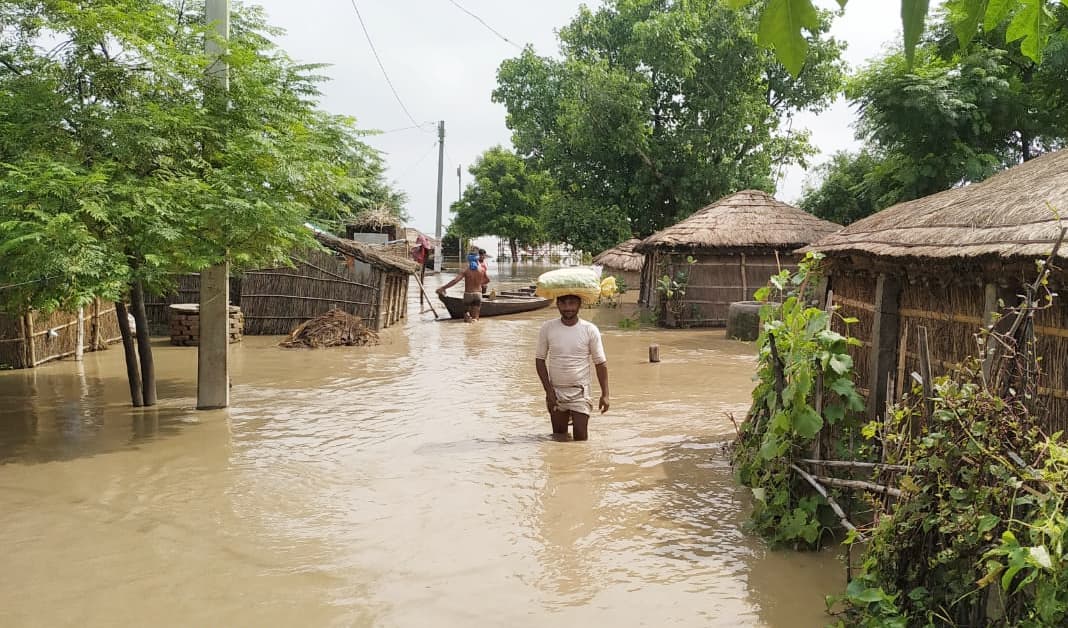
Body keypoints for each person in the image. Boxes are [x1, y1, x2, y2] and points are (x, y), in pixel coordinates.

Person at [534, 294, 609, 441]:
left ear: (579, 304)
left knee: (581, 438)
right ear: (558, 304)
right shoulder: (547, 328)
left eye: (572, 303)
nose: (568, 308)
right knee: (559, 437)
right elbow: (539, 360)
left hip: (581, 392)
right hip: (556, 391)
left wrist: (605, 395)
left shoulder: (590, 330)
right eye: (563, 303)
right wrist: (549, 391)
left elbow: (600, 363)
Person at [437, 254, 486, 321]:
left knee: (466, 315)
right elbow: (487, 280)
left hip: (468, 294)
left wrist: (443, 288)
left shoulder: (466, 270)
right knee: (476, 318)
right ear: (477, 260)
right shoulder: (482, 270)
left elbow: (455, 281)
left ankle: (467, 320)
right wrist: (480, 283)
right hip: (478, 294)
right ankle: (474, 327)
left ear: (468, 260)